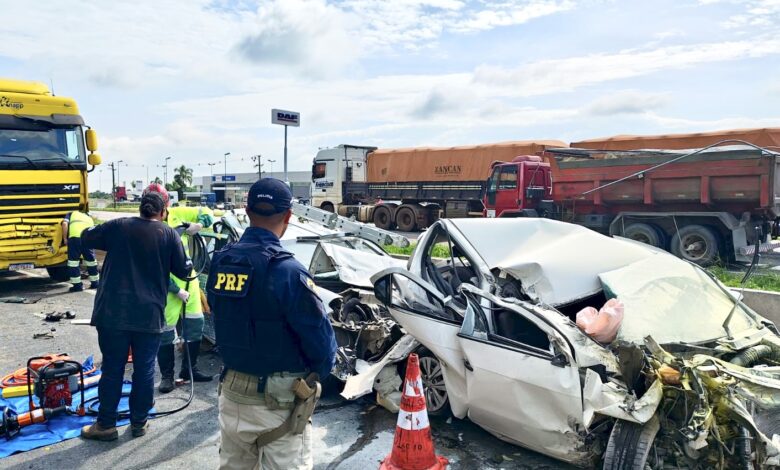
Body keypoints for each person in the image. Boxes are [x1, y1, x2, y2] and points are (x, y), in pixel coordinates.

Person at [207, 178, 336, 469]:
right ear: (288, 216)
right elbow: (322, 346)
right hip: (279, 403)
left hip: (232, 395)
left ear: (246, 210)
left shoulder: (221, 261)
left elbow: (219, 312)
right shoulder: (288, 271)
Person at [79, 191, 191, 441]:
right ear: (163, 212)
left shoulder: (118, 226)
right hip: (148, 315)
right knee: (144, 370)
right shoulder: (168, 234)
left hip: (112, 313)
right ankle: (139, 422)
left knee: (112, 368)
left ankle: (105, 425)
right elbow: (184, 270)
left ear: (140, 209)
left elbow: (86, 237)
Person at [157, 198, 216, 393]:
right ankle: (167, 377)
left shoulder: (178, 213)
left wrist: (198, 225)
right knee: (166, 330)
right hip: (168, 286)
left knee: (196, 324)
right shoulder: (150, 228)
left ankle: (189, 369)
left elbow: (207, 212)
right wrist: (176, 290)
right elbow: (154, 267)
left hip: (190, 281)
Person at [61, 210, 99, 292]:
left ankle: (77, 286)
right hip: (88, 239)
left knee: (73, 263)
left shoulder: (71, 213)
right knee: (91, 261)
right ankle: (95, 283)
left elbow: (64, 224)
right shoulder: (88, 217)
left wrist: (64, 238)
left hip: (75, 238)